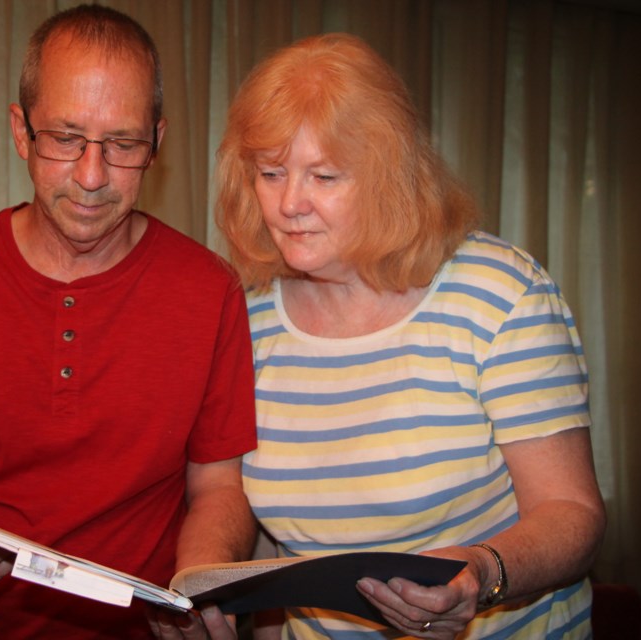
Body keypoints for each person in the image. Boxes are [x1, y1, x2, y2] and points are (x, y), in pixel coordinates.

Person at [0, 5, 257, 639]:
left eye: (122, 145)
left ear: (157, 144)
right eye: (65, 138)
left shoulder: (208, 289)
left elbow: (219, 487)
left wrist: (196, 589)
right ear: (19, 132)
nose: (91, 177)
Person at [215, 33, 606, 640]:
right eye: (271, 172)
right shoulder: (250, 319)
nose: (290, 203)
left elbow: (572, 514)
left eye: (324, 176)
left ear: (387, 174)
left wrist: (480, 573)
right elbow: (275, 541)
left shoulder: (498, 294)